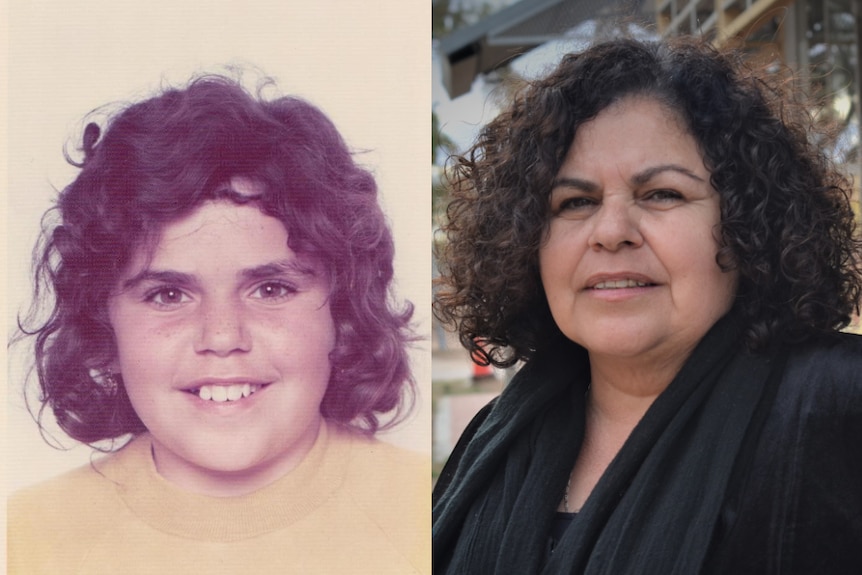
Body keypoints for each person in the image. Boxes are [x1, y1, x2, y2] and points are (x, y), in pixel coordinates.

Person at [432, 37, 862, 574]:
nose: (611, 232)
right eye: (576, 202)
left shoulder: (840, 405)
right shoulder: (492, 440)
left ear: (750, 225)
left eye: (662, 194)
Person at [9, 75, 429, 574]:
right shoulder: (25, 540)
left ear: (342, 310)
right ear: (103, 325)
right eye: (167, 295)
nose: (223, 337)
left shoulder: (432, 511)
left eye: (271, 290)